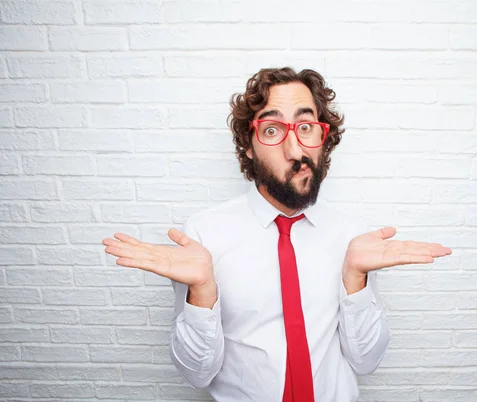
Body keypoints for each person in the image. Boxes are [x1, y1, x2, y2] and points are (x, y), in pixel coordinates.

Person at [102, 67, 452, 402]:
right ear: (249, 145)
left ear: (323, 138)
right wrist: (202, 292)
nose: (295, 150)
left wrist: (355, 279)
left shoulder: (354, 237)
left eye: (305, 127)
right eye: (272, 130)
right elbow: (198, 374)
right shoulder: (203, 236)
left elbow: (366, 362)